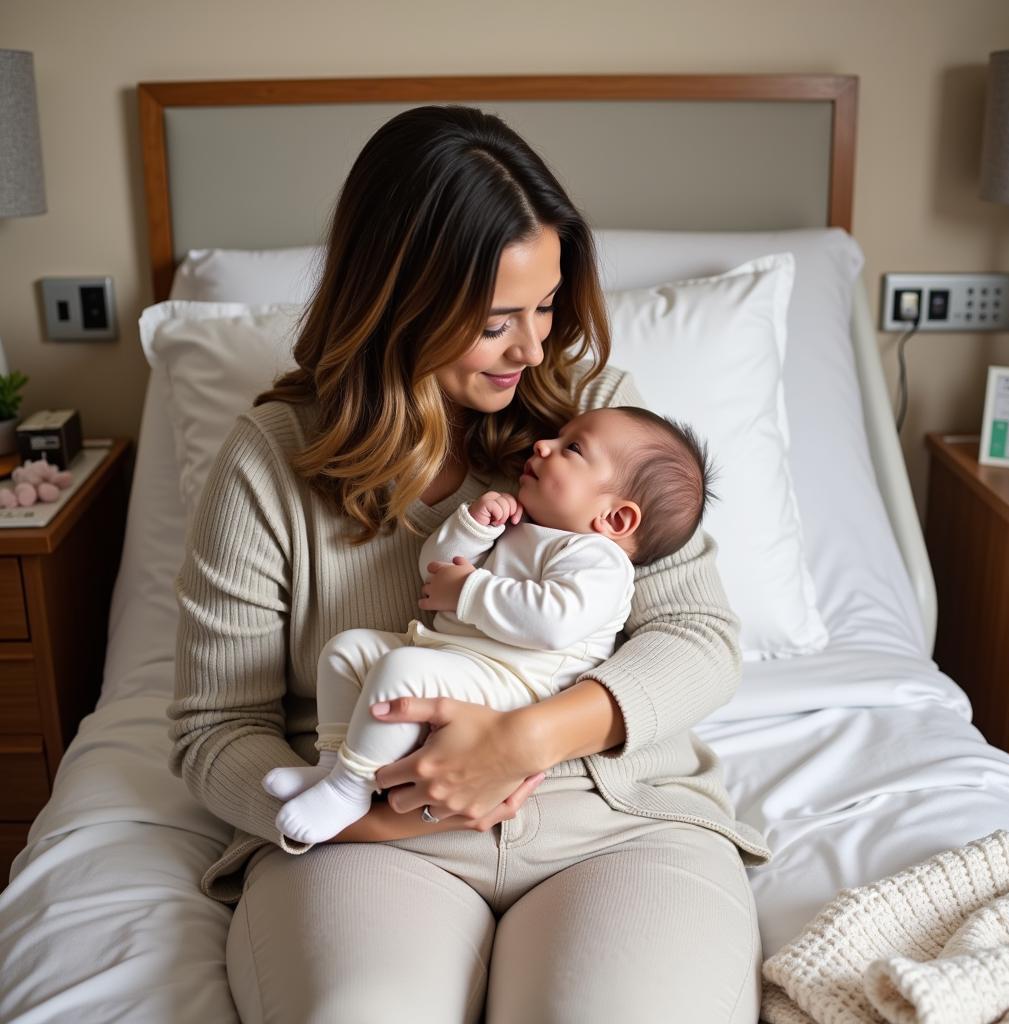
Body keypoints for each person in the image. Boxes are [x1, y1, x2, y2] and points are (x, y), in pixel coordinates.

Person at [168, 103, 771, 1023]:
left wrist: (523, 743)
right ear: (400, 303)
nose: (533, 348)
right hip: (370, 836)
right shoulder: (271, 459)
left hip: (611, 819)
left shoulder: (593, 421)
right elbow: (214, 727)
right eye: (497, 321)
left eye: (545, 307)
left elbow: (699, 636)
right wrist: (365, 811)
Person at [263, 405, 713, 846]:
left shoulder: (601, 562)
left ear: (615, 518)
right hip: (462, 659)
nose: (543, 443)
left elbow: (553, 622)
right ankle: (331, 766)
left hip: (518, 685)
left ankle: (351, 789)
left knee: (402, 672)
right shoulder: (526, 526)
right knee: (348, 649)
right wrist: (473, 527)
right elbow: (436, 569)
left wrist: (468, 593)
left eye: (571, 448)